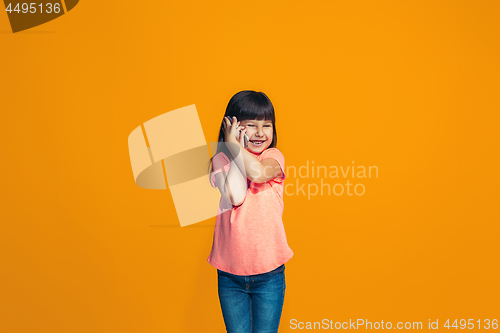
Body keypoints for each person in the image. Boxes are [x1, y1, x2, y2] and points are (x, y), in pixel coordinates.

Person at [206, 90, 294, 333]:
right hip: (230, 275)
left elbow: (257, 173)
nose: (260, 133)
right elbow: (236, 195)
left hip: (269, 274)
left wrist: (233, 144)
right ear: (232, 126)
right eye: (251, 125)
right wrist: (231, 148)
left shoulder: (272, 157)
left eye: (267, 125)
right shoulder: (221, 161)